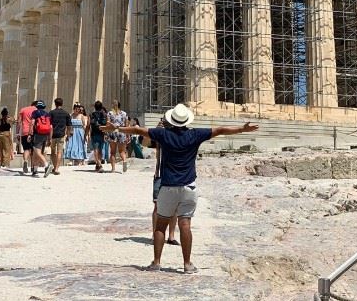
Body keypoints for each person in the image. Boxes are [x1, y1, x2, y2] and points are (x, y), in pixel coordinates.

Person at [106, 103, 258, 274]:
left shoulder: (163, 134)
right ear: (186, 121)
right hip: (188, 187)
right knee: (185, 224)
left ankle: (156, 263)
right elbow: (220, 130)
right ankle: (187, 264)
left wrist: (117, 127)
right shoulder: (195, 134)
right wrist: (242, 129)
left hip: (168, 186)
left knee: (160, 225)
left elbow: (138, 130)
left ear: (171, 120)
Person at [152, 119, 178, 246]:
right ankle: (154, 234)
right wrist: (156, 131)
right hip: (160, 174)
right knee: (157, 206)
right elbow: (145, 142)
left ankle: (171, 236)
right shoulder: (159, 136)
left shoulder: (177, 136)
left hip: (174, 175)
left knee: (174, 207)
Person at [48, 98, 71, 175]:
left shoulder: (51, 113)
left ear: (55, 103)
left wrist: (49, 137)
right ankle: (57, 168)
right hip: (61, 135)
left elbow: (49, 126)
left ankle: (55, 167)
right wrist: (68, 135)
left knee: (52, 152)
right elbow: (69, 126)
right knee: (59, 152)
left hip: (53, 135)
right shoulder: (66, 113)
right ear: (62, 103)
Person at [30, 102, 53, 177]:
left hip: (37, 134)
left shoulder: (35, 112)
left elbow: (32, 123)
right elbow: (51, 127)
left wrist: (30, 134)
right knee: (36, 153)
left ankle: (46, 165)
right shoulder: (47, 114)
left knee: (37, 152)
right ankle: (35, 171)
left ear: (37, 106)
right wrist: (50, 138)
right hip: (45, 134)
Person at [106, 100, 129, 173]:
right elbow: (126, 125)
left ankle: (113, 169)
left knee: (113, 152)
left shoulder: (110, 113)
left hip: (113, 132)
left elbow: (108, 124)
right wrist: (128, 135)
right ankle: (124, 160)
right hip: (121, 132)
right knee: (122, 151)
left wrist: (106, 133)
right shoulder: (124, 114)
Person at [17, 100, 38, 174]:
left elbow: (19, 122)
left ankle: (25, 161)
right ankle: (33, 168)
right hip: (34, 132)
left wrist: (17, 133)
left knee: (26, 149)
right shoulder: (37, 110)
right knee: (34, 151)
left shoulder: (23, 109)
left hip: (24, 132)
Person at [89, 101, 108, 173]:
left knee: (95, 149)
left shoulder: (91, 114)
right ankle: (98, 163)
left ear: (95, 107)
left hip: (94, 133)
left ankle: (99, 164)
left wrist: (86, 134)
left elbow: (89, 124)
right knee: (100, 149)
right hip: (102, 133)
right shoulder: (104, 114)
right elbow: (106, 124)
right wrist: (106, 133)